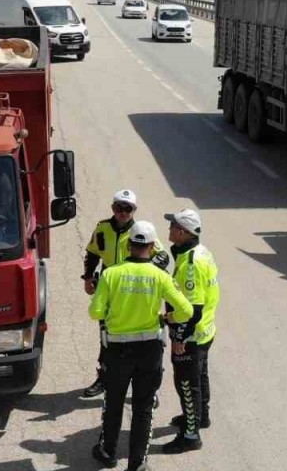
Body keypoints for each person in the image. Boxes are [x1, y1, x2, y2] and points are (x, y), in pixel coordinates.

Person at [89, 221, 192, 471]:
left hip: (117, 350)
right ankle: (137, 465)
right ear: (152, 246)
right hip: (149, 350)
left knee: (113, 403)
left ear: (128, 244)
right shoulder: (160, 276)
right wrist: (166, 318)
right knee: (143, 408)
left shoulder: (111, 274)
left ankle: (107, 452)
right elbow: (186, 310)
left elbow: (95, 312)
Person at [81, 189, 171, 398]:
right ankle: (104, 378)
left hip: (134, 291)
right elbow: (92, 253)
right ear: (112, 208)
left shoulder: (141, 231)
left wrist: (145, 268)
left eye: (127, 208)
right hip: (109, 287)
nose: (122, 212)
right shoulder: (102, 228)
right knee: (106, 336)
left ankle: (149, 388)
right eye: (118, 208)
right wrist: (88, 278)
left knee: (144, 340)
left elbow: (163, 257)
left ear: (134, 210)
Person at [161, 208, 221, 455]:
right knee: (200, 377)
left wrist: (179, 337)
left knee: (186, 383)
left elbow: (192, 311)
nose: (169, 229)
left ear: (183, 232)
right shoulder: (200, 252)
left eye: (173, 225)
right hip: (206, 332)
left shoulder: (191, 264)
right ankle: (200, 417)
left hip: (193, 334)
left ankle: (190, 434)